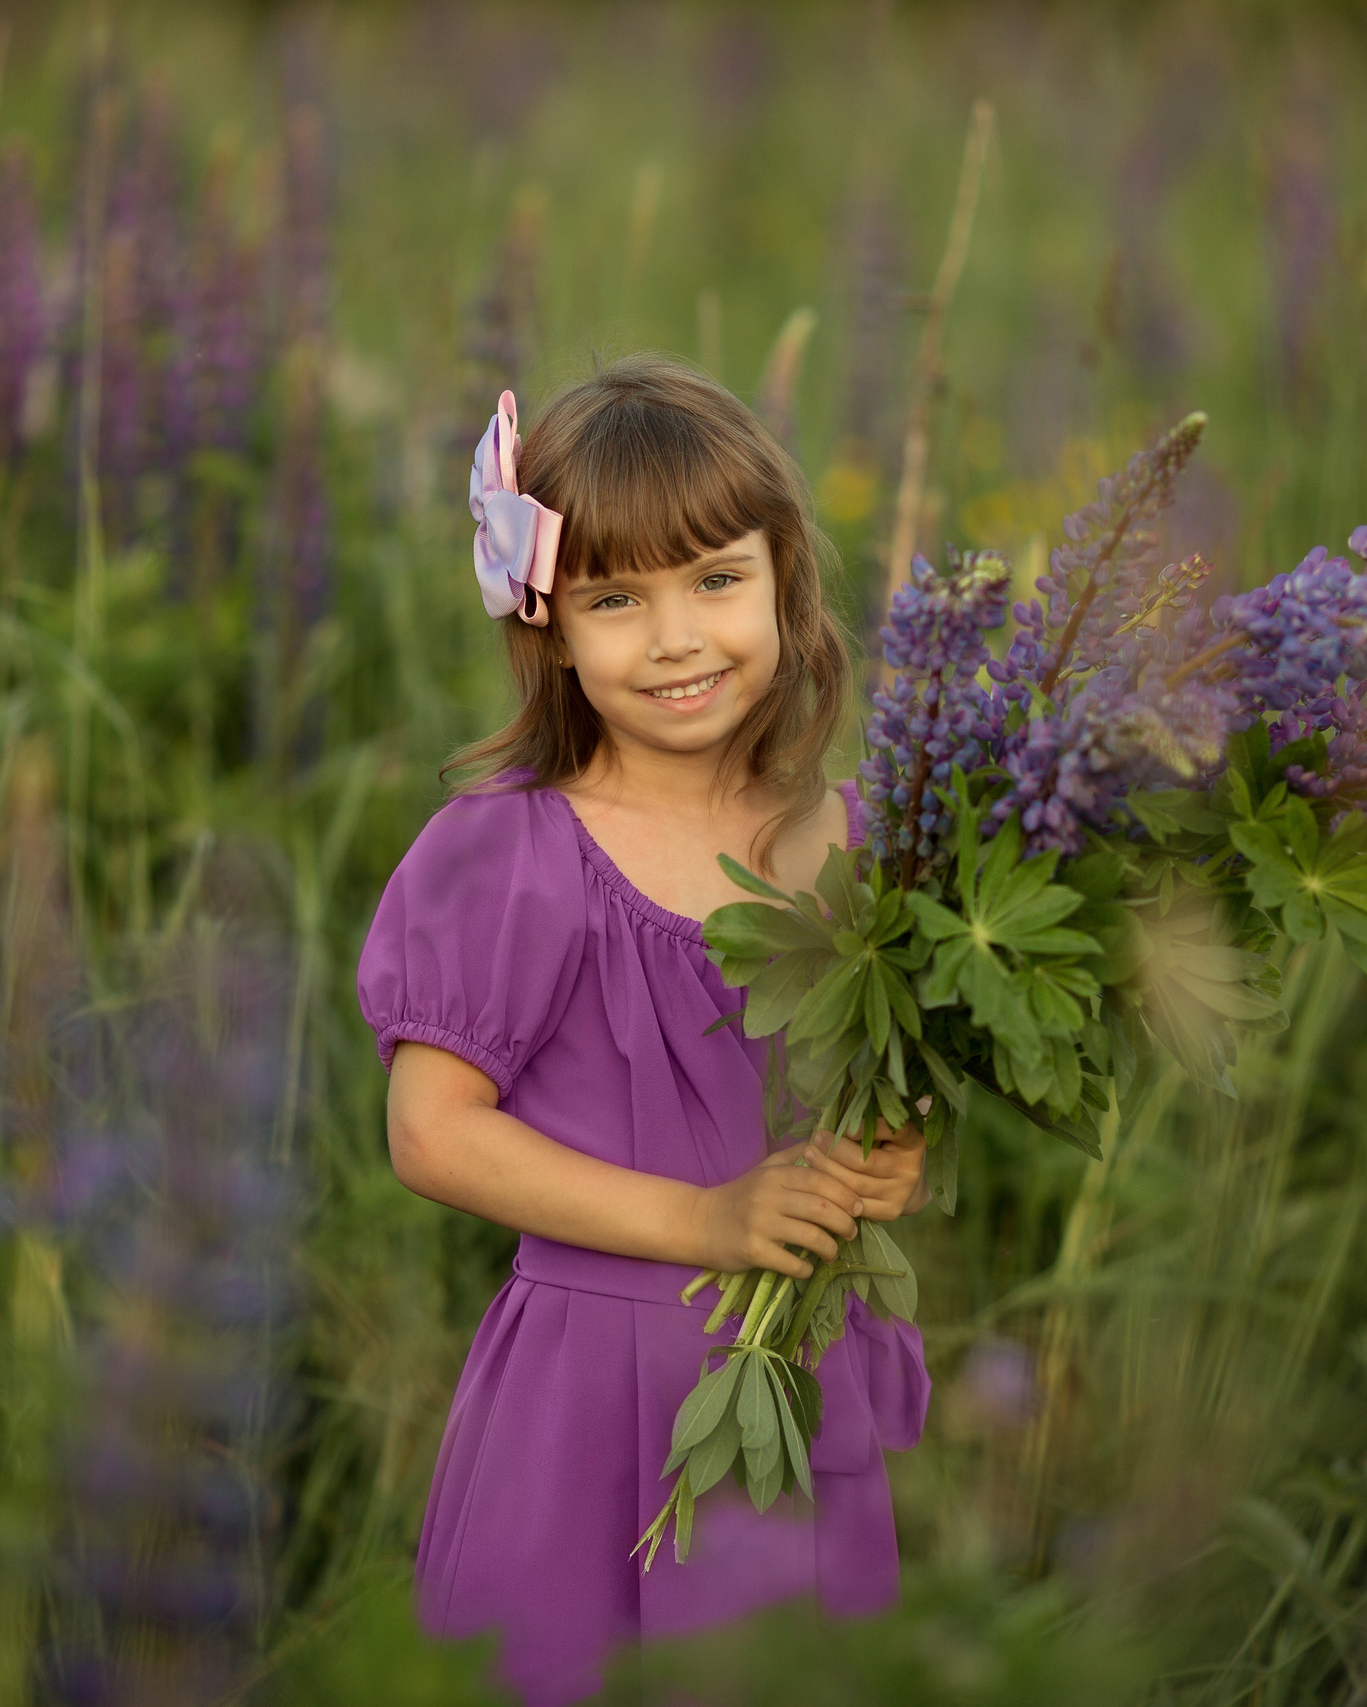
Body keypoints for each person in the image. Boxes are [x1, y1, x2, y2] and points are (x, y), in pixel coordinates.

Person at [356, 354, 932, 1705]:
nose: (676, 638)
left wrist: (886, 1161)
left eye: (716, 582)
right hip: (586, 1400)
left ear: (784, 577)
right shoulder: (514, 849)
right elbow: (432, 1135)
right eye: (619, 600)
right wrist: (708, 1223)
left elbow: (860, 1097)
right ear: (551, 624)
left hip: (793, 1383)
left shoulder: (852, 841)